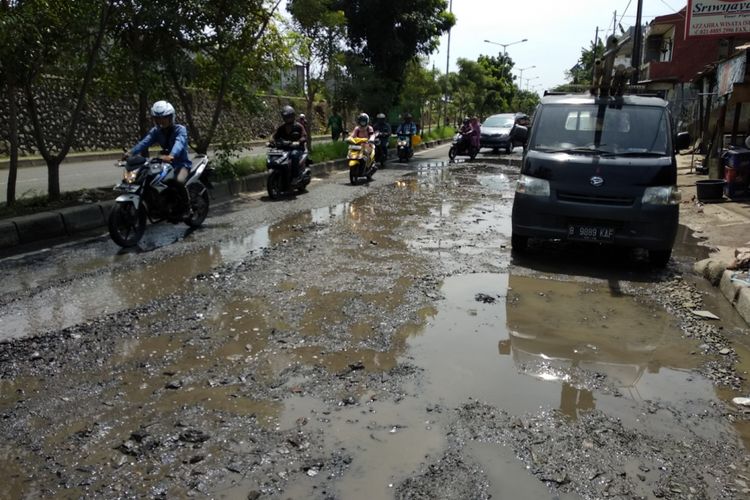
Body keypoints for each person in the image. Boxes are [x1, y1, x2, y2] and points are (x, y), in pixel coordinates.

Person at [126, 100, 192, 217]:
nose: (161, 121)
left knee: (178, 181)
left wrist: (172, 155)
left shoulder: (180, 130)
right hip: (164, 163)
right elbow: (144, 142)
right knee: (146, 177)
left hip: (181, 164)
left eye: (164, 118)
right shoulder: (156, 131)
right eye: (157, 118)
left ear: (171, 117)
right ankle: (155, 204)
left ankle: (187, 207)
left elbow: (179, 143)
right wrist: (131, 152)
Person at [272, 105, 307, 188]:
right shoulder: (282, 128)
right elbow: (274, 135)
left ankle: (295, 177)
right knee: (276, 154)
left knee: (294, 155)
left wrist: (298, 142)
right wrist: (270, 141)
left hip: (298, 149)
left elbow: (304, 136)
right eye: (285, 117)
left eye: (289, 116)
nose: (287, 118)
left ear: (293, 116)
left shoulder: (298, 126)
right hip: (285, 149)